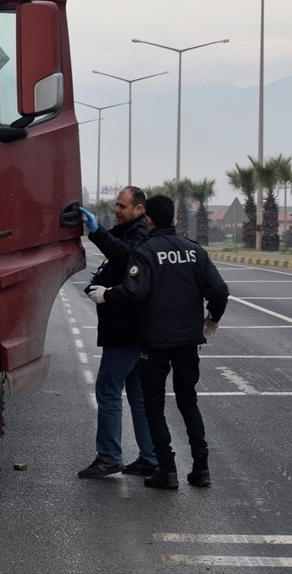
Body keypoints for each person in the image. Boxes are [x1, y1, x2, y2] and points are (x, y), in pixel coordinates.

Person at [88, 194, 230, 490]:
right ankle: (201, 469)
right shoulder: (194, 250)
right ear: (172, 218)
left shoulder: (147, 251)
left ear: (148, 218)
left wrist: (106, 294)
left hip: (157, 342)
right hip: (189, 341)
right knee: (188, 402)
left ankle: (166, 470)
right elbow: (219, 290)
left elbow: (135, 291)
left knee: (153, 403)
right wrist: (213, 318)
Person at [76, 186, 158, 479]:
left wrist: (96, 231)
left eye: (122, 206)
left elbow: (125, 257)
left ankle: (110, 456)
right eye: (116, 205)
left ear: (139, 210)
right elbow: (115, 246)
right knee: (136, 393)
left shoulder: (139, 235)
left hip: (126, 328)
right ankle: (150, 457)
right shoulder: (129, 230)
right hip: (131, 328)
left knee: (108, 389)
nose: (117, 210)